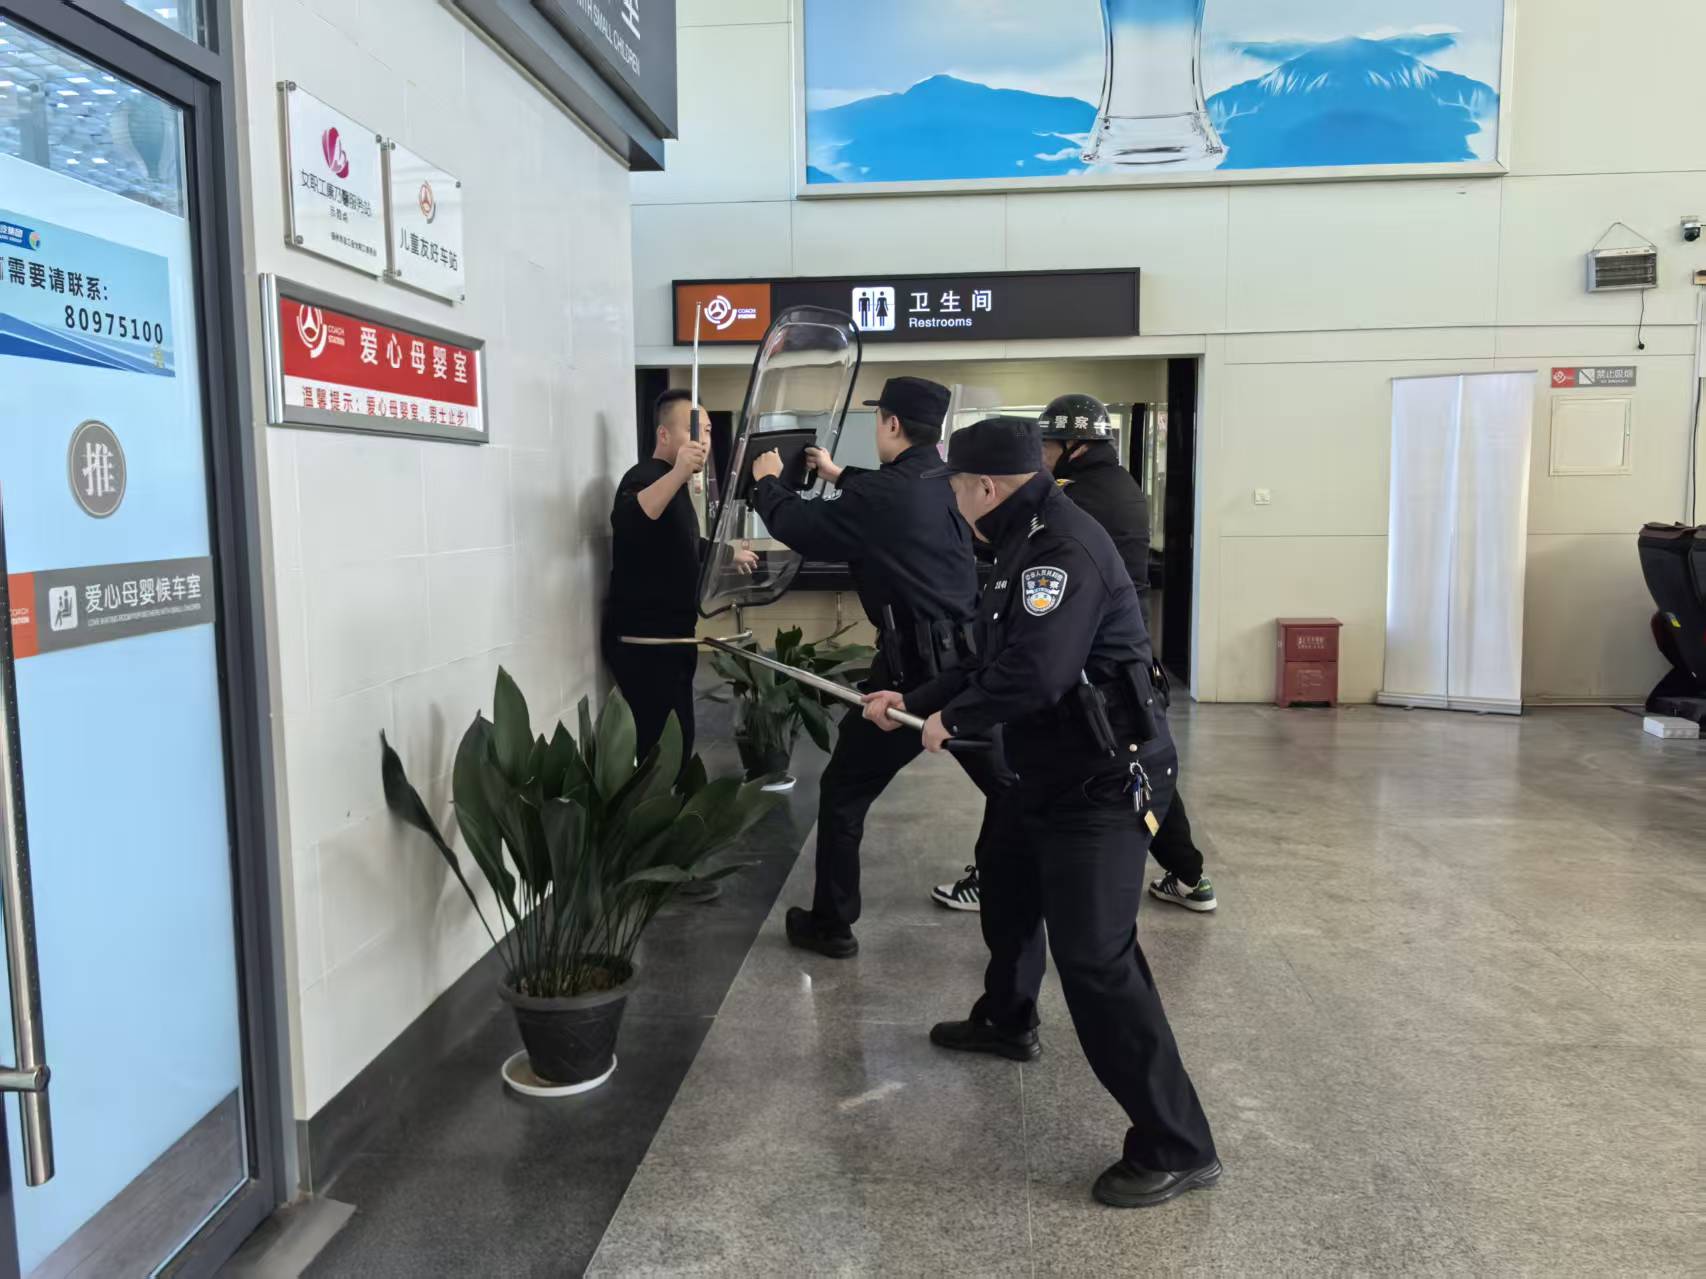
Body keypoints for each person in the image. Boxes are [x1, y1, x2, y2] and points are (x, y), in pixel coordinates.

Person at [865, 416, 1220, 1209]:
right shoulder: (1020, 541)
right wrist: (911, 696)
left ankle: (1178, 1141)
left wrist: (948, 721)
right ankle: (1007, 1017)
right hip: (1045, 769)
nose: (952, 499)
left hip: (1103, 780)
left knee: (1095, 959)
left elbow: (1037, 672)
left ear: (986, 486)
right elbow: (989, 656)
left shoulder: (1060, 550)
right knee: (1008, 880)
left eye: (956, 487)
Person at [747, 376, 1010, 959]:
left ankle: (831, 924)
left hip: (912, 679)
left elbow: (802, 527)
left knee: (844, 791)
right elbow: (893, 492)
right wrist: (837, 474)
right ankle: (1018, 888)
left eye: (878, 418)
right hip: (971, 667)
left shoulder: (883, 496)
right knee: (1010, 785)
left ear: (891, 424)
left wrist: (766, 482)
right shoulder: (947, 481)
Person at [930, 393, 1219, 916]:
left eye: (1048, 447)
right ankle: (1188, 871)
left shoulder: (1065, 512)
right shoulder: (1121, 485)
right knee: (1127, 771)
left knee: (1090, 923)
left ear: (1074, 446)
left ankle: (999, 878)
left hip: (1088, 668)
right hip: (1113, 649)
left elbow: (1037, 669)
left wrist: (953, 716)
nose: (1040, 459)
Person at [602, 388, 753, 766]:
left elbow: (685, 541)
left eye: (707, 431)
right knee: (661, 751)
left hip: (674, 640)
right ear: (664, 435)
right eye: (693, 430)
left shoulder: (674, 486)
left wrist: (728, 553)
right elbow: (629, 520)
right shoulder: (643, 476)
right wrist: (680, 472)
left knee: (680, 741)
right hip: (645, 645)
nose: (703, 440)